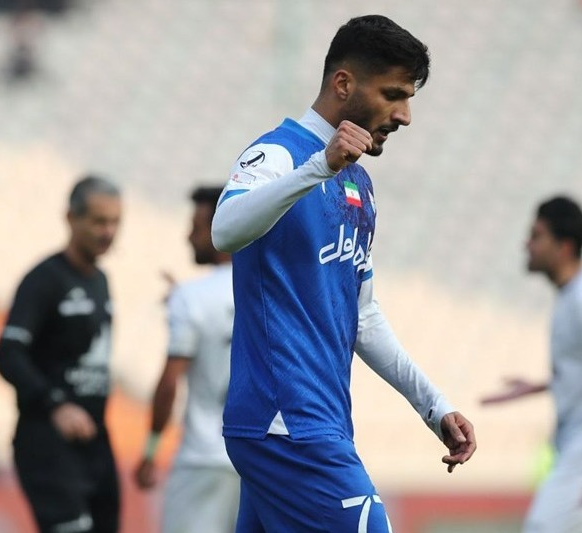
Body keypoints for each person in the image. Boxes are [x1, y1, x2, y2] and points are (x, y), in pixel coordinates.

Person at [211, 14, 477, 532]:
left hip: (319, 420)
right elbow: (224, 230)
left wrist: (434, 406)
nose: (404, 116)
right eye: (393, 95)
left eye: (408, 99)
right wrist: (318, 167)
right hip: (286, 421)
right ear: (343, 84)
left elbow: (363, 316)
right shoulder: (278, 153)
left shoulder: (358, 184)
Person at [481, 196, 582, 533]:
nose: (527, 244)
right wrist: (540, 386)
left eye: (537, 236)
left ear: (564, 247)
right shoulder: (572, 294)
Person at [0, 175, 122, 533]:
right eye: (99, 221)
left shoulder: (101, 281)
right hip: (47, 439)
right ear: (71, 218)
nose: (108, 232)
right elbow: (7, 353)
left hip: (95, 439)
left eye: (115, 222)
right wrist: (56, 404)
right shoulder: (44, 280)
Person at [134, 186, 239, 533]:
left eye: (196, 228)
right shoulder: (274, 291)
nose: (188, 236)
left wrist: (151, 450)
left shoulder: (191, 298)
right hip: (258, 460)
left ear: (221, 228)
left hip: (202, 459)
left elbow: (169, 383)